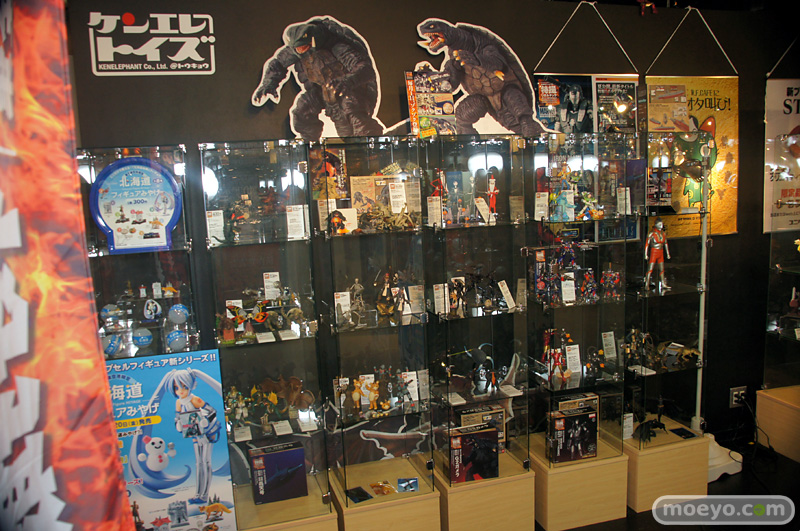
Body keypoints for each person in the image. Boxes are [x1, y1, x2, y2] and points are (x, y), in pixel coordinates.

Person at [644, 218, 671, 290]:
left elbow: (665, 243)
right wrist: (645, 254)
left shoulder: (663, 233)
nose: (661, 226)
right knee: (650, 268)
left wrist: (668, 253)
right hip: (654, 251)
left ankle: (663, 283)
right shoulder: (651, 234)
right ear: (656, 225)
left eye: (662, 224)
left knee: (662, 268)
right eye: (659, 224)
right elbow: (647, 244)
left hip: (660, 252)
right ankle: (647, 284)